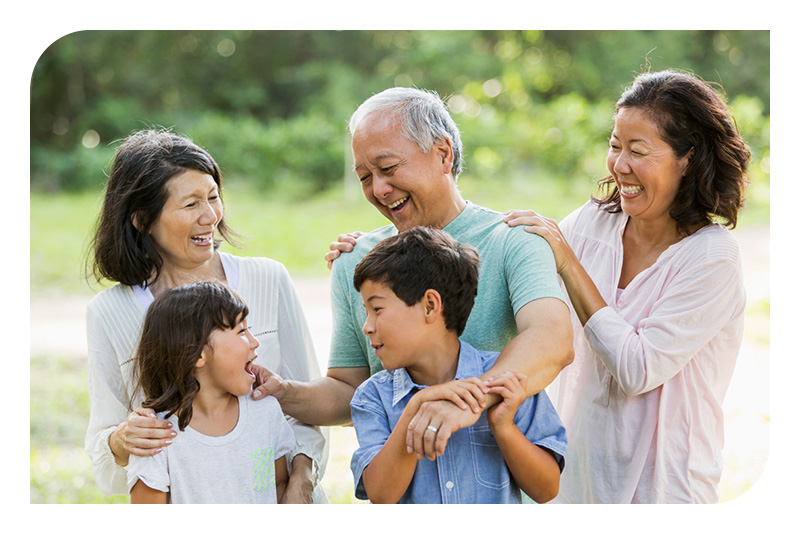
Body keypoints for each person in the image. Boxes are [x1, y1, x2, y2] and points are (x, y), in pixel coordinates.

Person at [254, 87, 573, 463]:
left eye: (387, 169)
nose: (378, 189)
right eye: (364, 177)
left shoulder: (513, 240)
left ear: (443, 154)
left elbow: (552, 338)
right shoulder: (354, 261)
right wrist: (281, 392)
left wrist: (464, 401)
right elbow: (349, 389)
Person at [503, 70, 750, 503]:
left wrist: (569, 263)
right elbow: (516, 274)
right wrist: (376, 248)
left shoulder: (712, 258)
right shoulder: (592, 223)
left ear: (687, 158)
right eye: (615, 146)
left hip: (665, 490)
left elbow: (638, 369)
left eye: (638, 150)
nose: (619, 165)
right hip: (579, 480)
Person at [84, 129, 327, 503]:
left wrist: (301, 480)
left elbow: (305, 409)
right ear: (142, 219)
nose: (210, 216)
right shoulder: (109, 312)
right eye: (191, 204)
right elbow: (108, 461)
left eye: (213, 197)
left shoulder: (267, 277)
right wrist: (121, 440)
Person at [348, 227, 567, 504]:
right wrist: (415, 409)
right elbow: (381, 495)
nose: (367, 327)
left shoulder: (508, 384)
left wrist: (503, 427)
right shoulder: (373, 397)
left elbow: (547, 489)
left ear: (430, 305)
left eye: (377, 309)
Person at [128, 282, 295, 503]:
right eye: (241, 331)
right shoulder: (155, 436)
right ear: (197, 354)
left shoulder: (265, 412)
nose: (255, 342)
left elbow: (277, 486)